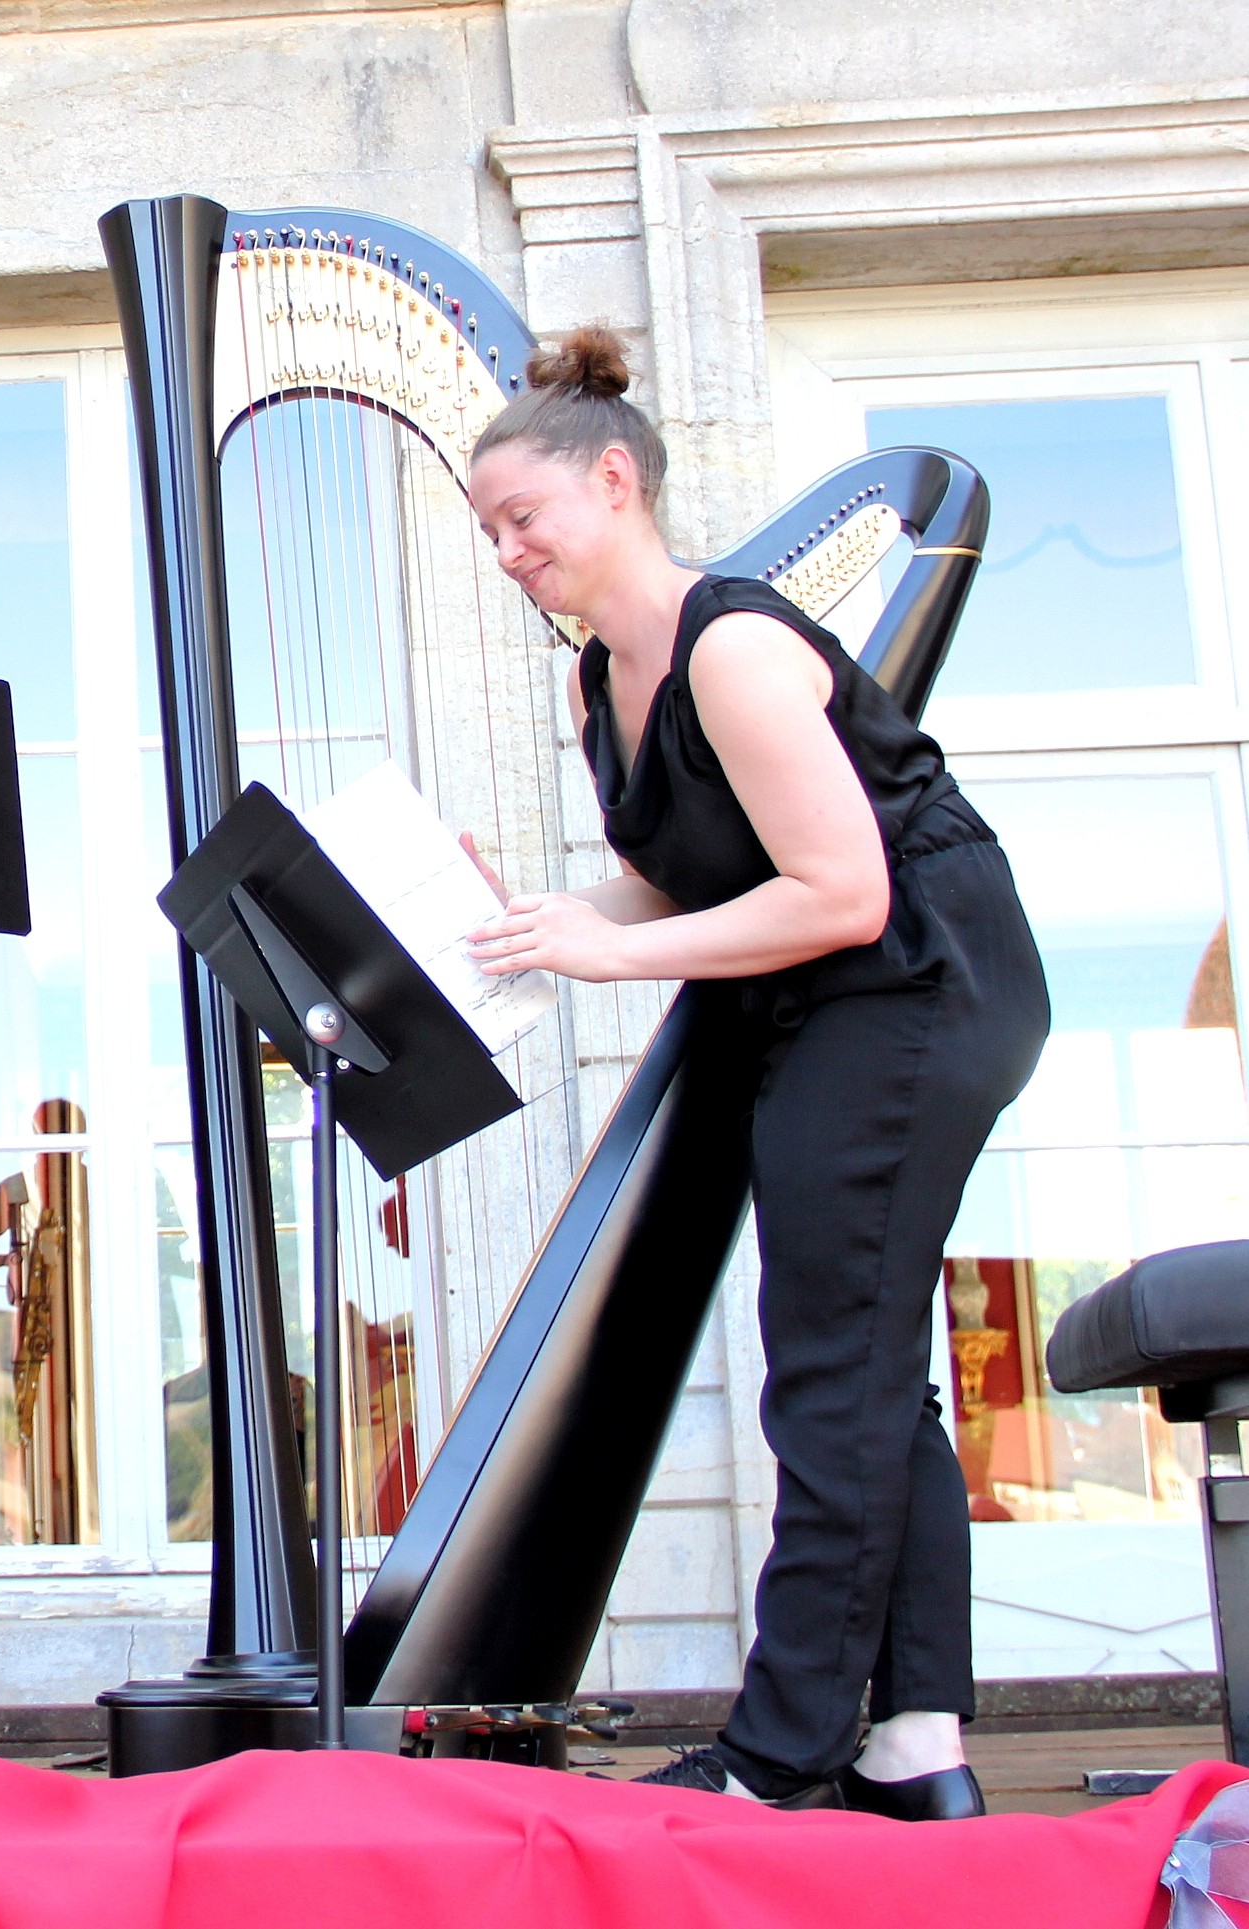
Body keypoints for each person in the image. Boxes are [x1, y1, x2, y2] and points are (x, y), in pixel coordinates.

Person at [465, 328, 1048, 1821]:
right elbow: (677, 886)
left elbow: (842, 887)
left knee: (825, 1369)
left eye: (523, 516)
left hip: (915, 975)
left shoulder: (733, 643)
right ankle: (915, 1739)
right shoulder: (602, 685)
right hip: (832, 995)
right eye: (490, 532)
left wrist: (609, 959)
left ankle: (782, 1754)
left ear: (616, 479)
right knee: (863, 1366)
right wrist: (537, 922)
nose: (510, 550)